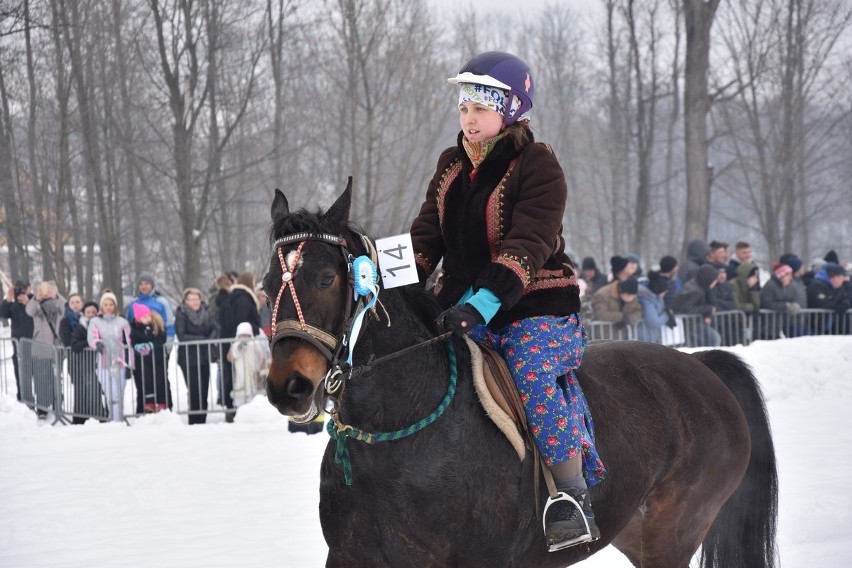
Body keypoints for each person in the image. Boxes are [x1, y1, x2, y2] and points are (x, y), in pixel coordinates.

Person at [409, 51, 605, 550]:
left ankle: (571, 496)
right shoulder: (451, 166)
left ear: (511, 109)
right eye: (463, 108)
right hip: (461, 308)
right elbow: (425, 239)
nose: (468, 118)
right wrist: (385, 279)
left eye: (480, 108)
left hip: (535, 308)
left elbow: (528, 246)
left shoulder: (537, 164)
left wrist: (483, 304)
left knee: (530, 368)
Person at [218, 272, 261, 422]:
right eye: (254, 281)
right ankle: (236, 410)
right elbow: (241, 322)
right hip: (241, 345)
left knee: (234, 377)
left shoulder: (235, 297)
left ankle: (233, 409)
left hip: (234, 343)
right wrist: (253, 330)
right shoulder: (243, 299)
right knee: (238, 377)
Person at [175, 288, 218, 424]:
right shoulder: (181, 314)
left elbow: (215, 328)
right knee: (194, 390)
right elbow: (181, 335)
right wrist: (201, 338)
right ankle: (194, 420)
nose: (195, 302)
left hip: (204, 356)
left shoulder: (206, 312)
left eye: (197, 299)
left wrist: (210, 338)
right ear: (186, 301)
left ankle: (202, 419)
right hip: (189, 357)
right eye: (191, 299)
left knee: (204, 389)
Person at [88, 291, 132, 422]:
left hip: (120, 362)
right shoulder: (95, 321)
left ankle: (118, 419)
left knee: (119, 393)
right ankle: (112, 419)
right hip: (103, 362)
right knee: (109, 393)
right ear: (101, 306)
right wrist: (97, 344)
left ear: (115, 306)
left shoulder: (122, 322)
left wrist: (130, 364)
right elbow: (92, 337)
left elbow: (129, 343)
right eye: (105, 304)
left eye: (111, 304)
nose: (108, 307)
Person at [25, 282, 65, 419]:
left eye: (48, 290)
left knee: (56, 378)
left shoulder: (57, 304)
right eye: (42, 290)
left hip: (56, 345)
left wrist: (56, 296)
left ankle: (57, 404)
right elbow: (28, 311)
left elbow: (66, 308)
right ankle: (42, 408)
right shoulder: (36, 305)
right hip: (40, 346)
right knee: (41, 379)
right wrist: (36, 298)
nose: (45, 293)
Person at [68, 301, 108, 423]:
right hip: (83, 364)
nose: (90, 314)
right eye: (88, 312)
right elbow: (74, 345)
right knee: (84, 392)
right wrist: (91, 343)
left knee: (98, 391)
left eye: (93, 312)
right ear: (84, 313)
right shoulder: (81, 327)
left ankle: (100, 416)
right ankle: (81, 419)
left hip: (99, 364)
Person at [129, 304, 169, 413]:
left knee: (160, 379)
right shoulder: (135, 329)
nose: (147, 318)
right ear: (138, 318)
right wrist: (137, 346)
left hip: (158, 358)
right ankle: (149, 402)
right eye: (144, 317)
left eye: (148, 316)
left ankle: (162, 402)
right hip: (144, 360)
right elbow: (133, 341)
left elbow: (161, 338)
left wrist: (151, 344)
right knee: (146, 380)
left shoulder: (157, 325)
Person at [670, 264, 722, 347]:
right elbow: (688, 310)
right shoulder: (695, 291)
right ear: (708, 279)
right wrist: (708, 309)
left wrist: (707, 312)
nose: (715, 282)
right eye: (714, 280)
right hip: (688, 324)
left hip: (692, 323)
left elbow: (701, 304)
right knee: (714, 338)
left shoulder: (699, 285)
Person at [0, 279, 34, 403]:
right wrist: (8, 300)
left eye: (24, 288)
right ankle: (23, 399)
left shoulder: (35, 301)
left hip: (36, 345)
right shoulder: (13, 305)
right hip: (19, 346)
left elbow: (41, 314)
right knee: (20, 374)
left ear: (30, 288)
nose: (22, 291)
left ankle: (42, 405)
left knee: (38, 375)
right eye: (19, 288)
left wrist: (28, 303)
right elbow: (3, 314)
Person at [227, 322, 269, 409]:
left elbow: (262, 357)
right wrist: (238, 349)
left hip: (254, 376)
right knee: (241, 402)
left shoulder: (255, 344)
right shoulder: (235, 345)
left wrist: (262, 370)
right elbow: (230, 357)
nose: (244, 337)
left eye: (246, 335)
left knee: (255, 401)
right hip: (241, 379)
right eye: (242, 335)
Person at [759, 263, 804, 339]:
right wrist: (786, 306)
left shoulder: (786, 286)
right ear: (781, 276)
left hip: (781, 323)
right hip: (769, 325)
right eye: (788, 275)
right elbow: (768, 303)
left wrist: (794, 305)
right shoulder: (770, 286)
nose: (790, 278)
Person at [126, 272, 175, 340]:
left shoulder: (162, 302)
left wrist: (169, 342)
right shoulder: (132, 303)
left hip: (158, 344)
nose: (143, 286)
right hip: (138, 345)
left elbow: (169, 323)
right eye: (141, 284)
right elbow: (128, 325)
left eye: (146, 283)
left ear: (152, 285)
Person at [806, 262, 850, 334]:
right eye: (841, 277)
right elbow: (821, 303)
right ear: (834, 277)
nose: (842, 281)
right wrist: (838, 306)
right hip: (816, 326)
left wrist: (844, 304)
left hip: (830, 325)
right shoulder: (817, 286)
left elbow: (844, 299)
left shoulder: (837, 287)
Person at [636, 271, 674, 343]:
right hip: (645, 338)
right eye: (664, 291)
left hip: (653, 337)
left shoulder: (656, 298)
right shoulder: (646, 301)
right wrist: (667, 314)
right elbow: (653, 322)